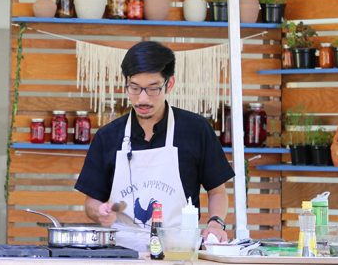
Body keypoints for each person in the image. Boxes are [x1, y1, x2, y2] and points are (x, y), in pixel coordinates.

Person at [74, 41, 234, 252]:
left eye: (152, 89)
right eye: (134, 88)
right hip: (122, 253)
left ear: (169, 84)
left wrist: (215, 223)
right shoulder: (107, 136)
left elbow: (217, 192)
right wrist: (100, 211)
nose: (142, 98)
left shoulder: (196, 129)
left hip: (179, 251)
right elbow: (91, 202)